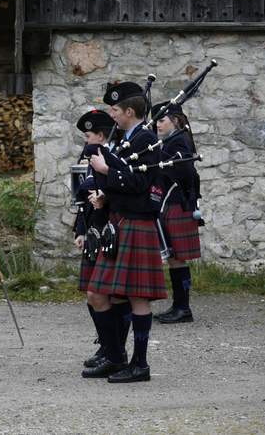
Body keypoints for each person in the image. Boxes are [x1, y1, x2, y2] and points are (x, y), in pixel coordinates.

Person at [83, 82, 167, 383]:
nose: (112, 115)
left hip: (136, 223)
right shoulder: (126, 138)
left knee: (137, 298)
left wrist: (107, 173)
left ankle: (139, 364)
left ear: (129, 111)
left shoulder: (147, 139)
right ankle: (115, 356)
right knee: (99, 294)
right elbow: (126, 182)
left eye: (115, 110)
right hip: (119, 221)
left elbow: (142, 185)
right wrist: (105, 194)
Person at [70, 110, 120, 370]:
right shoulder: (88, 155)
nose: (85, 140)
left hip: (111, 231)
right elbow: (81, 200)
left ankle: (113, 350)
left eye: (88, 135)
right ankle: (106, 345)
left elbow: (123, 191)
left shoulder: (114, 155)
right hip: (92, 231)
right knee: (92, 294)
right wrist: (80, 230)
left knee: (105, 295)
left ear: (101, 135)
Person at [151, 101, 202, 324]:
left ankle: (183, 308)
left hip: (177, 203)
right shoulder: (170, 141)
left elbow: (183, 170)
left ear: (175, 120)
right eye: (155, 121)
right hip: (170, 204)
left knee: (177, 259)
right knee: (174, 258)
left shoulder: (179, 141)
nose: (157, 125)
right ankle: (180, 306)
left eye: (161, 120)